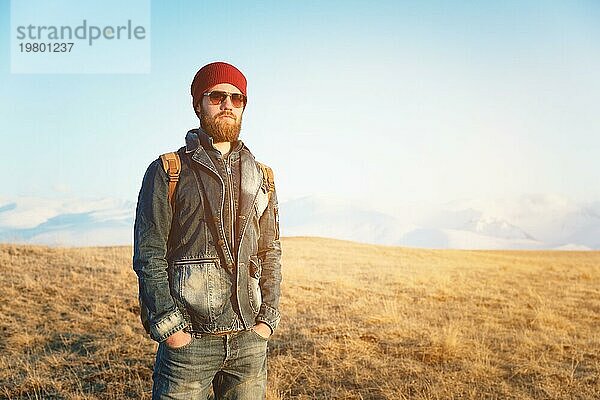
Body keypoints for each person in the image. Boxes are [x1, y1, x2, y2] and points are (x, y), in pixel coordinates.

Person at [133, 61, 282, 399]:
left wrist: (266, 320)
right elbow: (149, 254)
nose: (227, 104)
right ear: (197, 104)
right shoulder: (168, 170)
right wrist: (171, 329)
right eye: (216, 96)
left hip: (249, 341)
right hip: (190, 344)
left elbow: (270, 250)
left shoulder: (262, 177)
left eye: (237, 98)